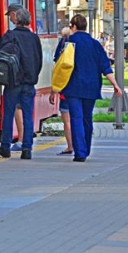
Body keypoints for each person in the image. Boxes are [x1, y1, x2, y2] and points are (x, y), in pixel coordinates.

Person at [53, 14, 124, 163]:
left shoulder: (67, 42)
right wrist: (115, 85)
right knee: (87, 118)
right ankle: (86, 148)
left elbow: (59, 67)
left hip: (72, 87)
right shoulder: (95, 44)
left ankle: (80, 152)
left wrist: (55, 89)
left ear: (73, 27)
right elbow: (105, 67)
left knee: (76, 118)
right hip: (91, 87)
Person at [0, 4, 43, 160]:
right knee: (28, 115)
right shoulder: (34, 38)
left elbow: (0, 57)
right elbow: (38, 60)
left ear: (16, 18)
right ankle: (27, 149)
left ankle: (5, 146)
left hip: (12, 83)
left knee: (8, 114)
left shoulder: (10, 36)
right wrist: (33, 76)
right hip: (29, 83)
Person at [53, 26, 74, 156]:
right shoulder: (83, 45)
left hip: (65, 87)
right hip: (81, 89)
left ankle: (70, 146)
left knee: (67, 120)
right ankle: (80, 144)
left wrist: (54, 89)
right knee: (78, 118)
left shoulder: (62, 45)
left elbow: (57, 67)